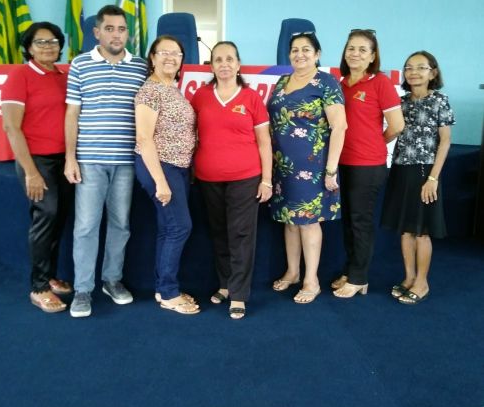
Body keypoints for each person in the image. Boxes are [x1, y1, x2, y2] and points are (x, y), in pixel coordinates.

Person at [65, 5, 147, 318]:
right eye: (110, 29)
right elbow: (72, 114)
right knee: (86, 227)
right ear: (97, 32)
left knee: (120, 225)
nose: (116, 35)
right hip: (89, 161)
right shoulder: (80, 64)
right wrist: (70, 158)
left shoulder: (140, 67)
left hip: (126, 161)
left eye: (122, 29)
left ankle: (112, 280)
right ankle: (82, 290)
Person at [191, 41, 272, 319]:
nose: (224, 64)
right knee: (219, 233)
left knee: (241, 235)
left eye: (229, 59)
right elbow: (190, 135)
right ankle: (225, 285)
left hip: (246, 178)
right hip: (208, 178)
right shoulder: (201, 96)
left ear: (238, 64)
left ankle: (239, 294)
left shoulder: (251, 98)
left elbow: (264, 142)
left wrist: (267, 180)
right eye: (218, 59)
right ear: (211, 66)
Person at [268, 32, 347, 303]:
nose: (299, 54)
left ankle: (311, 281)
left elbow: (340, 127)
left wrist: (331, 169)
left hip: (312, 168)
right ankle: (292, 272)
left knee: (308, 221)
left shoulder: (326, 82)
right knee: (289, 221)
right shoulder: (282, 81)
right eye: (294, 50)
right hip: (282, 166)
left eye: (305, 49)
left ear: (317, 54)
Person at [1, 21, 73, 313]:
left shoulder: (63, 75)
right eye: (41, 42)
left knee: (58, 218)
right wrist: (30, 171)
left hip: (64, 160)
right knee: (46, 217)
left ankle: (51, 276)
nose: (48, 46)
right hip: (37, 161)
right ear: (29, 47)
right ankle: (39, 287)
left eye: (54, 41)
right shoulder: (20, 76)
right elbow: (11, 127)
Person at [332, 29, 404, 298]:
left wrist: (375, 142)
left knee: (360, 221)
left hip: (368, 165)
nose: (355, 54)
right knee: (348, 221)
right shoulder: (340, 84)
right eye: (351, 48)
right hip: (342, 163)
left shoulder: (380, 83)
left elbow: (397, 126)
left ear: (373, 56)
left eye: (363, 50)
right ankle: (350, 269)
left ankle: (359, 278)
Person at [381, 51, 455, 304]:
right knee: (405, 230)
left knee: (422, 231)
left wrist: (433, 178)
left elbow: (445, 142)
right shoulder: (400, 102)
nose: (413, 72)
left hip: (426, 172)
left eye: (421, 68)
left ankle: (422, 282)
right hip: (401, 169)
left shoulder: (440, 101)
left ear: (433, 72)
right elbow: (392, 132)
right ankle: (409, 277)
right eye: (409, 67)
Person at [134, 35, 200, 315]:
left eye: (177, 53)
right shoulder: (150, 91)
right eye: (164, 53)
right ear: (152, 57)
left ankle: (163, 289)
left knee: (168, 228)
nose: (171, 58)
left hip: (177, 167)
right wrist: (160, 181)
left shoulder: (172, 88)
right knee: (179, 227)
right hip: (160, 167)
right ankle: (170, 293)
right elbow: (144, 138)